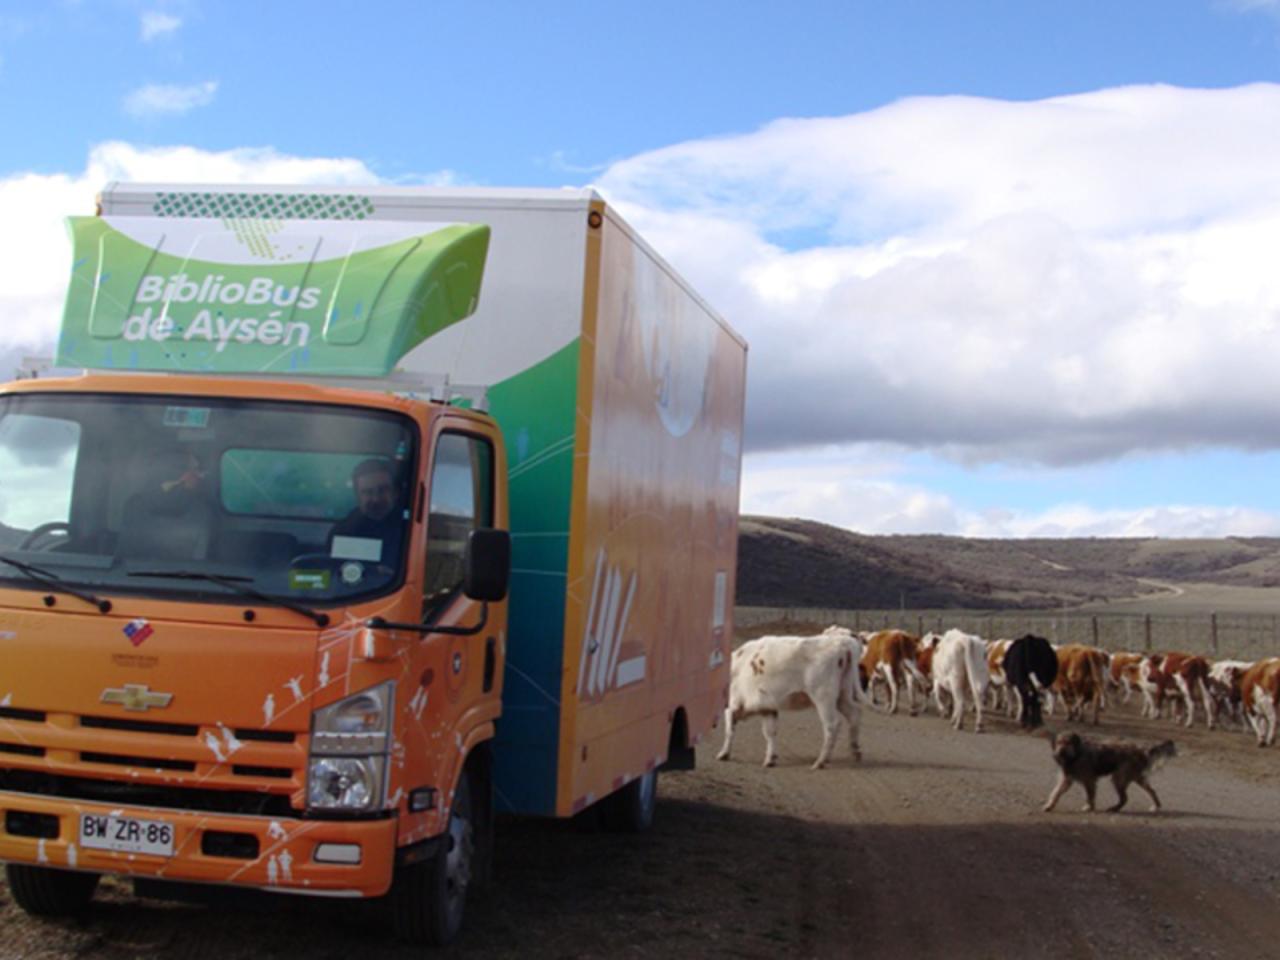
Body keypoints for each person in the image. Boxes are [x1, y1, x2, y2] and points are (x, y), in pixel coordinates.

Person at [328, 458, 407, 568]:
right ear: (357, 496)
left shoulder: (409, 529)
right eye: (368, 492)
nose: (376, 499)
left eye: (383, 490)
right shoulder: (342, 532)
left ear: (395, 493)